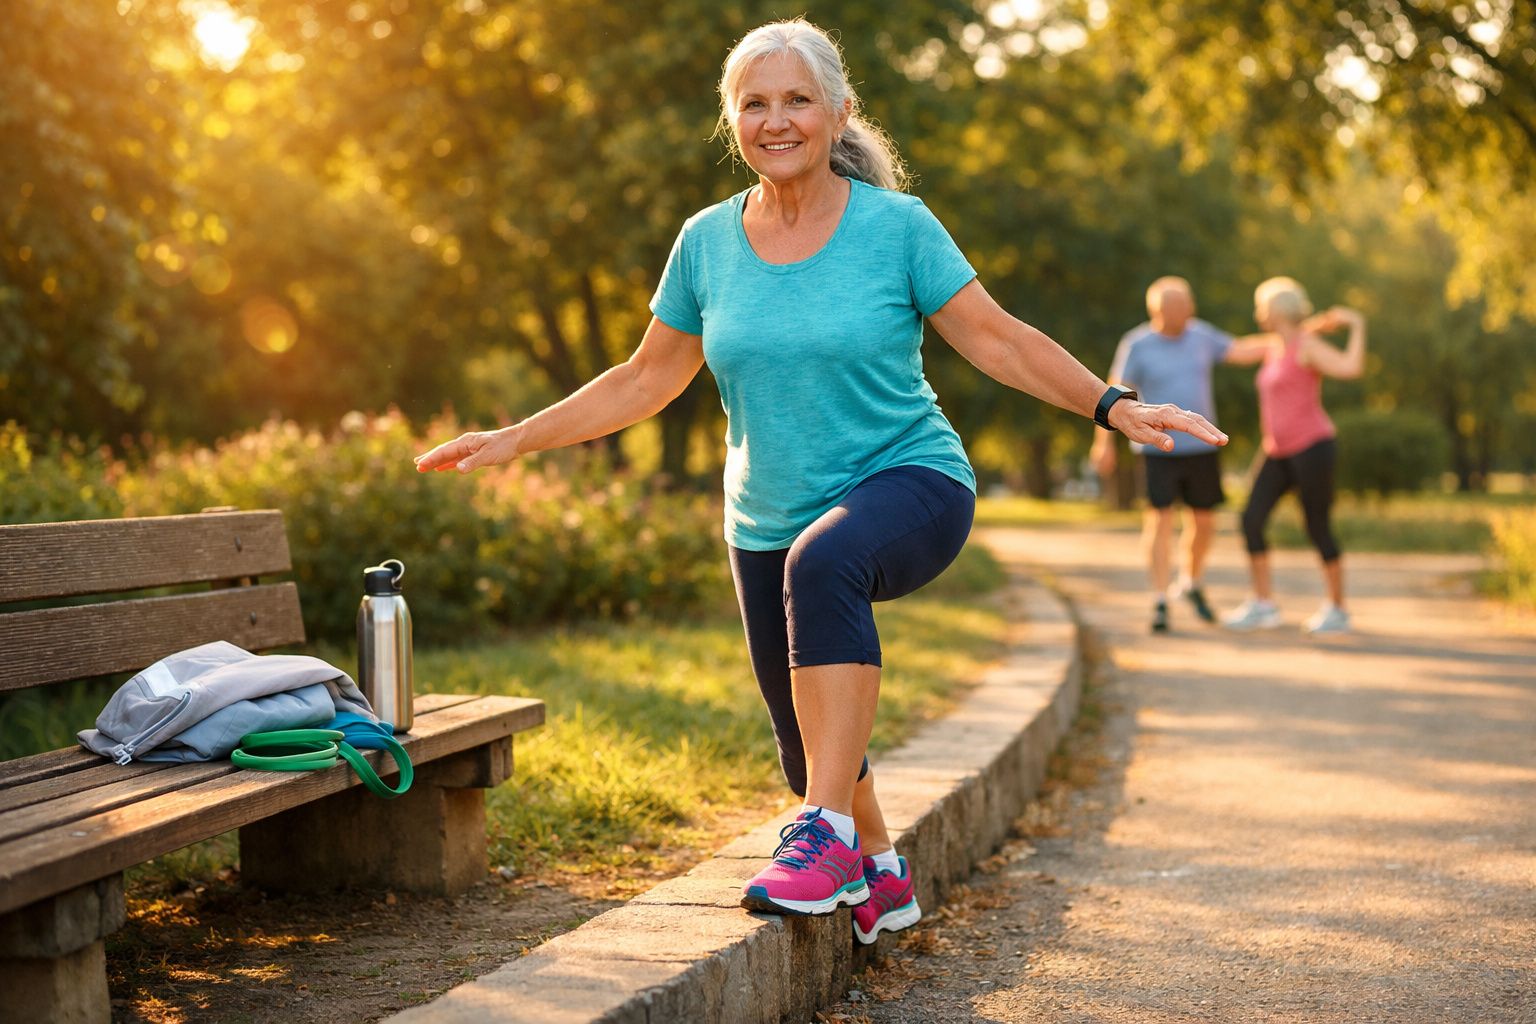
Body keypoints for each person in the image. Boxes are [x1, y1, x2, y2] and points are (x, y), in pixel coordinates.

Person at [414, 18, 1225, 944]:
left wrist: (1112, 405)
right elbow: (644, 378)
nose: (777, 120)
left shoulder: (897, 228)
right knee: (807, 740)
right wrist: (517, 438)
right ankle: (879, 871)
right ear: (733, 121)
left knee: (824, 567)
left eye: (797, 100)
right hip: (764, 515)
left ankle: (826, 836)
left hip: (910, 479)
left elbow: (998, 339)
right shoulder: (706, 243)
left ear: (838, 113)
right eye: (754, 104)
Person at [1090, 277, 1253, 634]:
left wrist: (1296, 335)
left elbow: (1242, 350)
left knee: (1204, 522)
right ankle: (1160, 598)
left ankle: (1190, 581)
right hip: (1157, 448)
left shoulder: (1202, 336)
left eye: (1187, 306)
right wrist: (1103, 443)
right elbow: (1112, 393)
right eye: (1177, 308)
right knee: (1160, 520)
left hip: (1203, 446)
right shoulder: (1137, 344)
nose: (1186, 313)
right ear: (1157, 311)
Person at [1221, 277, 1366, 635]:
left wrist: (1357, 325)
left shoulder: (1307, 346)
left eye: (1261, 307)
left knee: (1317, 526)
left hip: (1313, 447)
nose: (1258, 314)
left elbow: (1350, 367)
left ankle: (1338, 609)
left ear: (1276, 311)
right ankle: (1263, 605)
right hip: (1277, 451)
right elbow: (1234, 350)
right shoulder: (1273, 346)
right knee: (1251, 520)